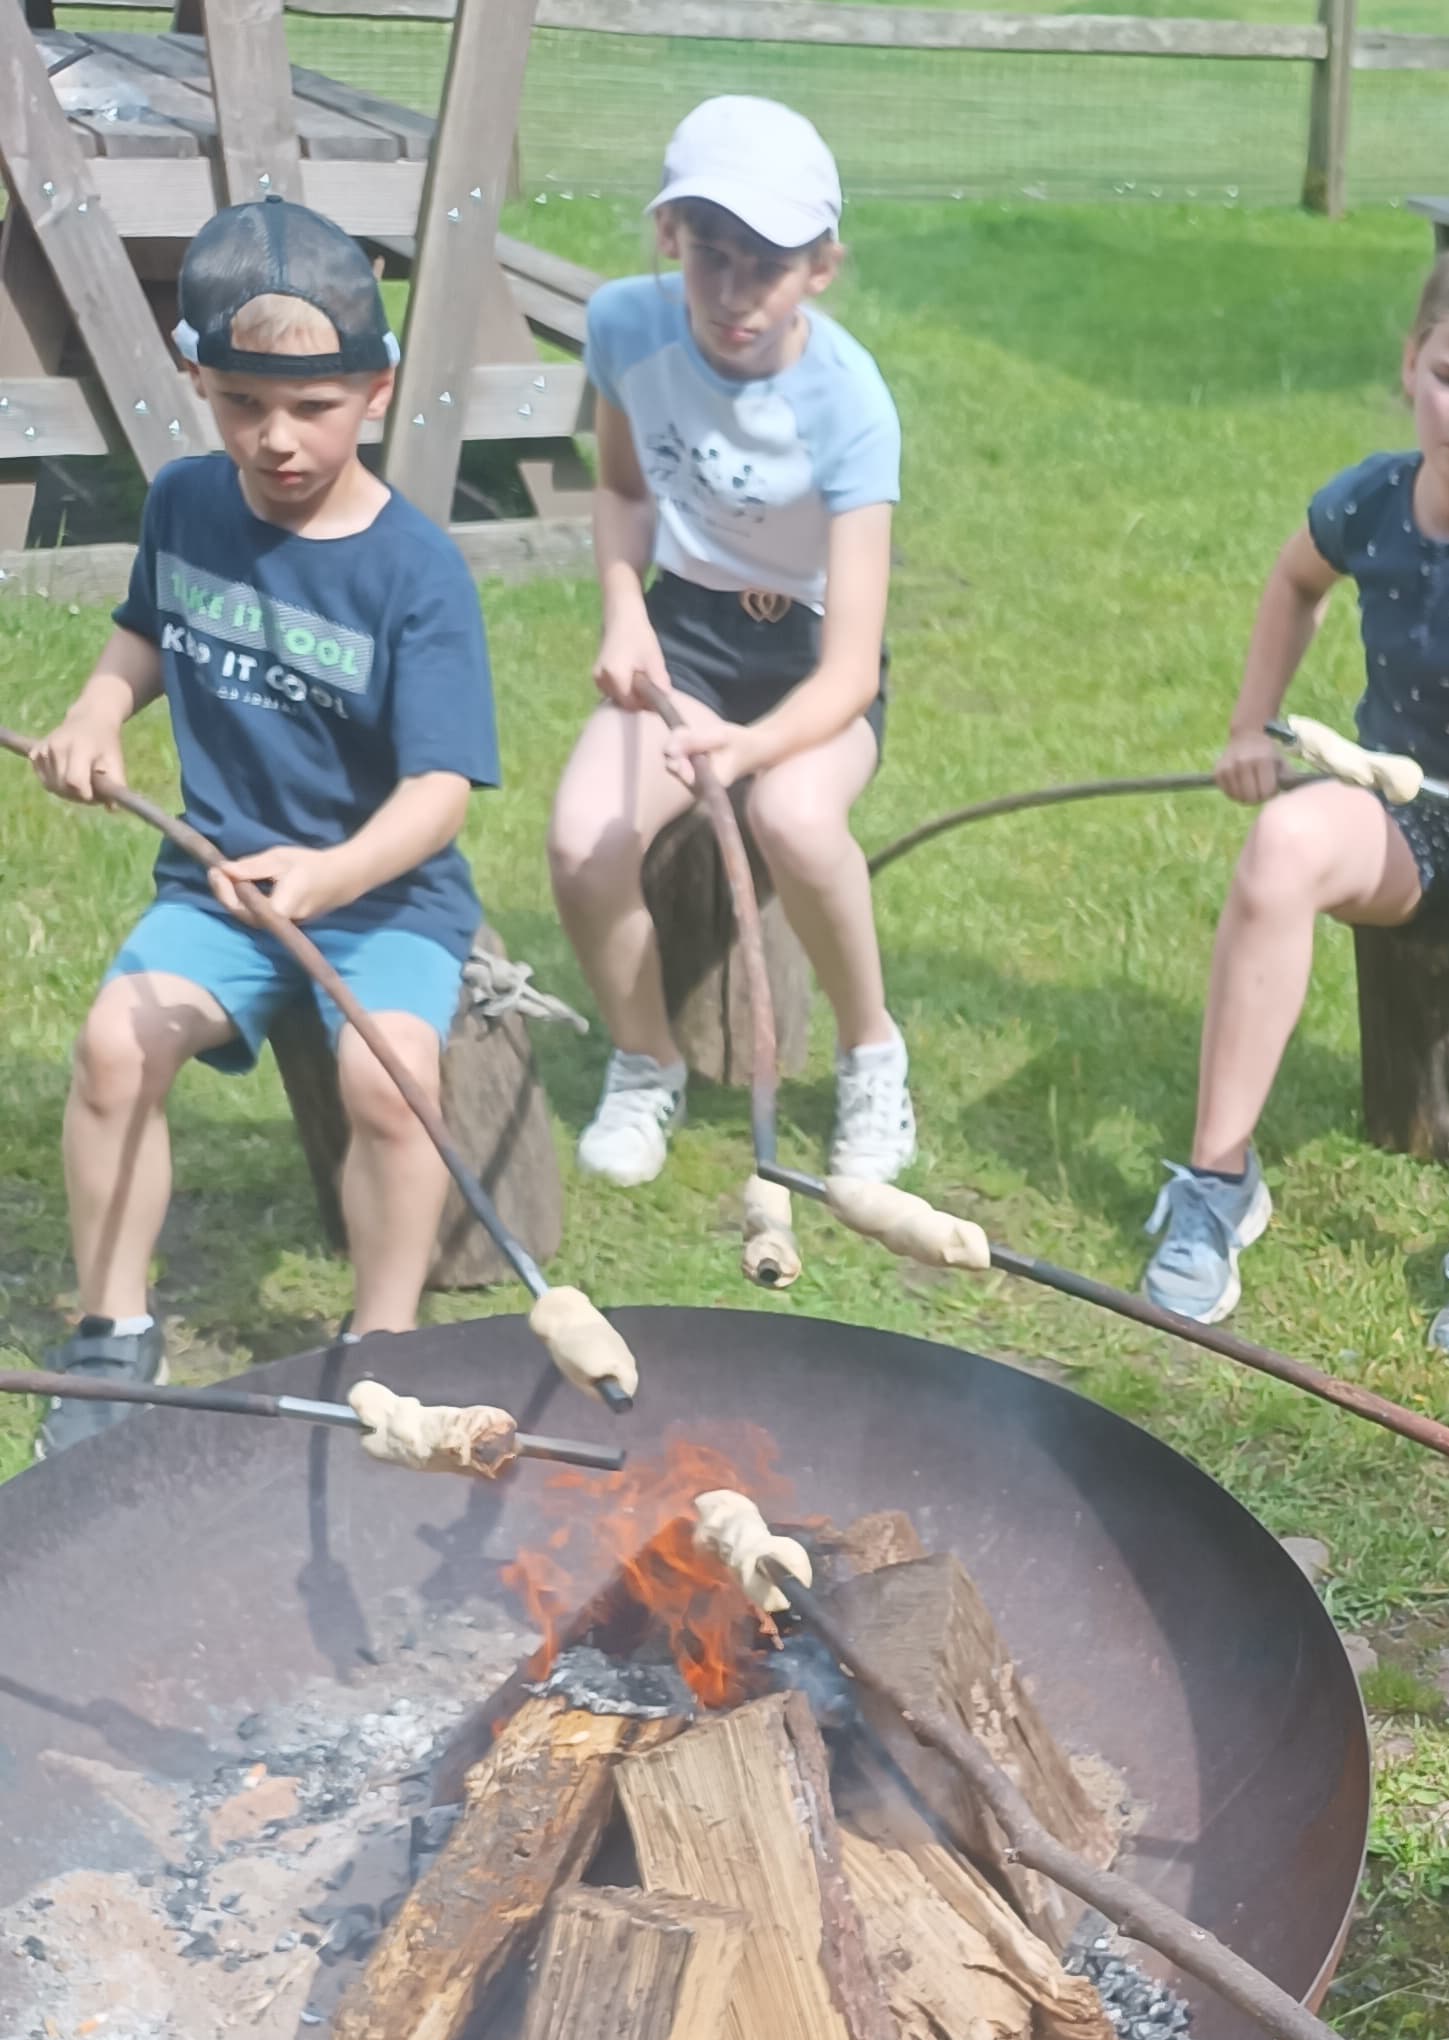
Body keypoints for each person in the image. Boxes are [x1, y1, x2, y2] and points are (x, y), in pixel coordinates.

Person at [24, 201, 499, 1456]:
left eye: (314, 408)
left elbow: (440, 792)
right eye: (240, 404)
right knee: (115, 1050)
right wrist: (95, 711)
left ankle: (387, 1354)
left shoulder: (416, 571)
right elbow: (145, 628)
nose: (275, 440)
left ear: (379, 391)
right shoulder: (187, 503)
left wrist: (333, 872)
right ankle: (112, 1335)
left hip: (386, 892)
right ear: (197, 383)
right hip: (218, 880)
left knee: (387, 1085)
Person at [1140, 237, 1449, 1366]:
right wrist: (1250, 725)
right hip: (1395, 804)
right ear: (1413, 365)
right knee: (1280, 844)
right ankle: (1218, 1177)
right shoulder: (1373, 499)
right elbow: (1294, 580)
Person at [548, 96, 911, 1191]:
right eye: (711, 255)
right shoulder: (622, 324)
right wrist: (625, 614)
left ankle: (872, 1055)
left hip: (807, 664)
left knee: (793, 819)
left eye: (768, 265)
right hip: (686, 636)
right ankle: (647, 1059)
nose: (733, 294)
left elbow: (851, 671)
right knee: (581, 844)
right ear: (670, 237)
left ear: (821, 270)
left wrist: (745, 753)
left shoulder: (852, 407)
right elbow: (618, 491)